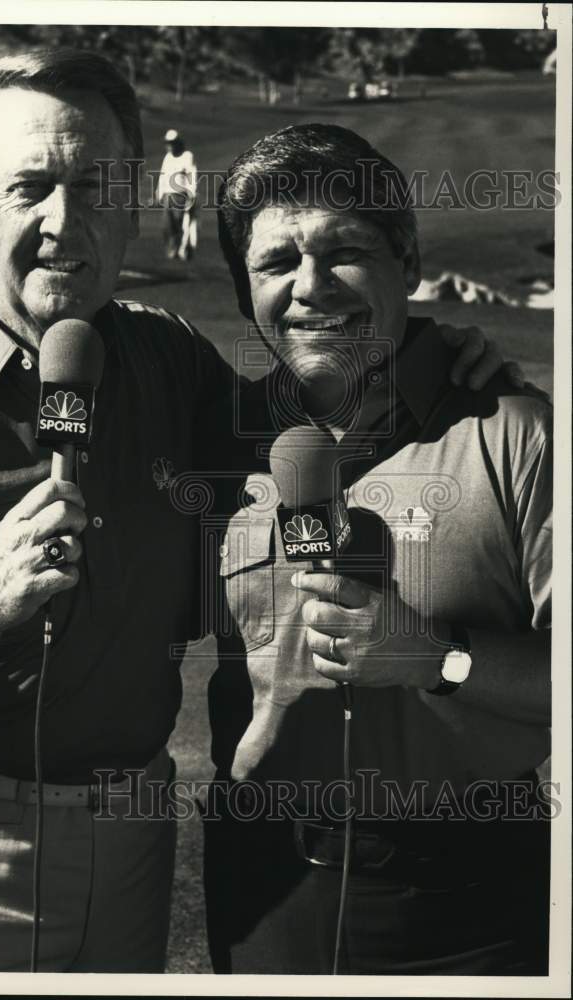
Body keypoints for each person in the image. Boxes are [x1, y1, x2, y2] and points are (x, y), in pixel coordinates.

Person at [0, 49, 516, 974]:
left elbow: (313, 421)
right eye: (29, 187)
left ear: (131, 208)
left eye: (96, 187)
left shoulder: (171, 362)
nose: (63, 221)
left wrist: (436, 356)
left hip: (136, 835)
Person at [200, 123, 552, 975]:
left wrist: (436, 658)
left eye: (344, 251)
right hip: (263, 885)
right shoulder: (214, 439)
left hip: (473, 897)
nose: (310, 287)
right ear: (246, 292)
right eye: (276, 263)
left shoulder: (518, 435)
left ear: (408, 260)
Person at [156, 128, 198, 260]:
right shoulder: (168, 157)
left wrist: (191, 195)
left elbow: (192, 176)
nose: (169, 146)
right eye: (168, 143)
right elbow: (162, 176)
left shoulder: (187, 156)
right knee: (166, 225)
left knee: (180, 224)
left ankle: (181, 250)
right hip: (167, 195)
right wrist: (159, 192)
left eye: (172, 143)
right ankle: (172, 249)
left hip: (181, 195)